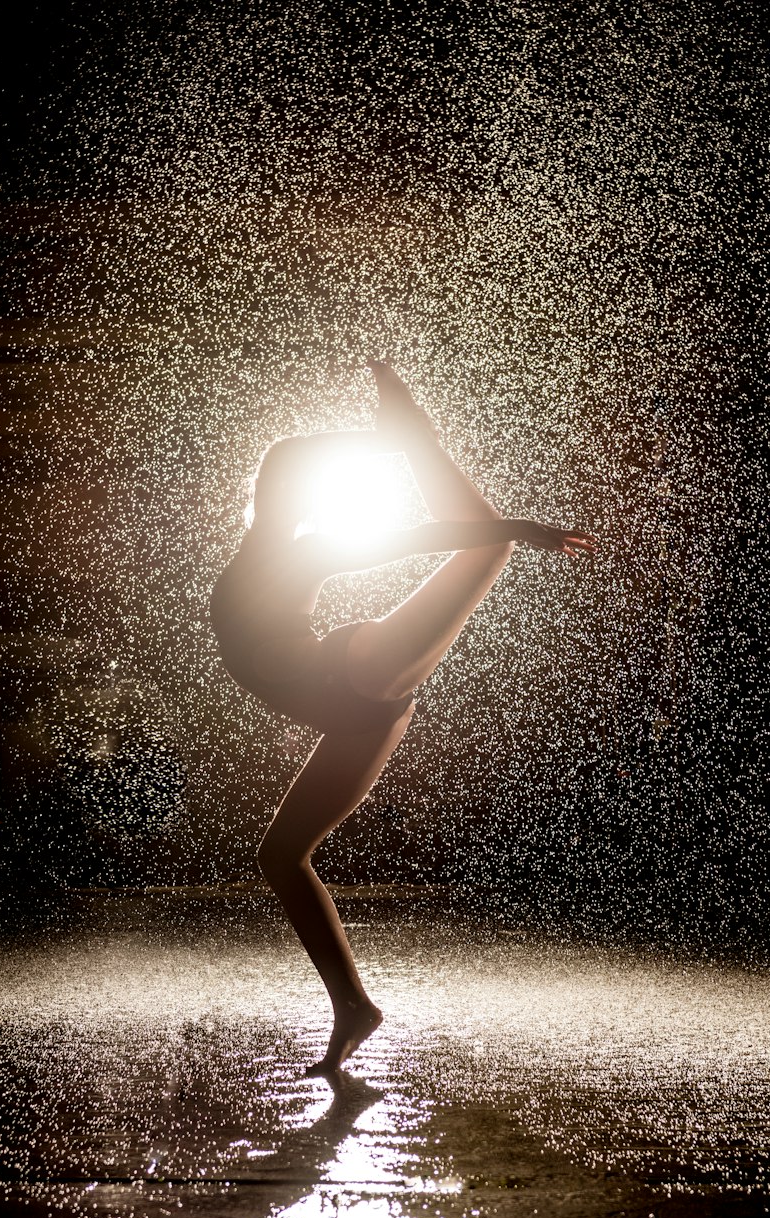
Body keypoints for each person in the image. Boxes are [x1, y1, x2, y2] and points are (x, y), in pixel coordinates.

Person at [210, 362, 596, 1073]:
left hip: (355, 672)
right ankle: (354, 1007)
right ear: (270, 496)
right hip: (359, 715)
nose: (293, 501)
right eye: (287, 492)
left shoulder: (302, 551)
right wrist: (375, 444)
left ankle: (413, 435)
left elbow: (410, 538)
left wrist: (517, 523)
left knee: (491, 541)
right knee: (279, 856)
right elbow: (288, 465)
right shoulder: (271, 554)